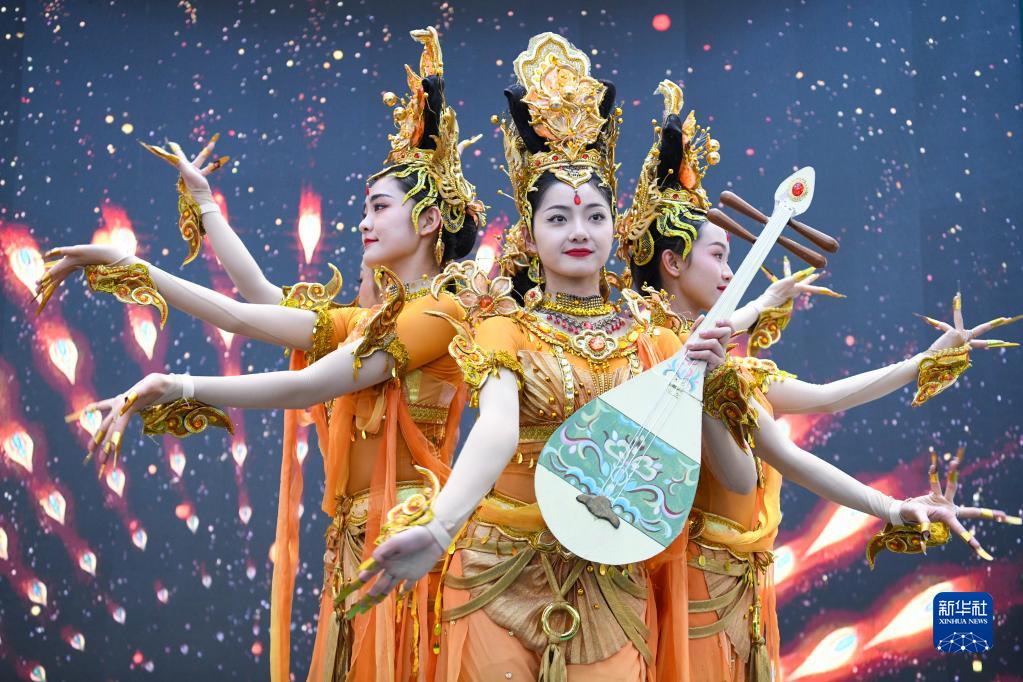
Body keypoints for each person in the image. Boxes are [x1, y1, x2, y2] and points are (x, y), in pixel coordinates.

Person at [42, 27, 485, 682]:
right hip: (358, 544)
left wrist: (182, 385)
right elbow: (253, 307)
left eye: (378, 207)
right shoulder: (369, 318)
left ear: (427, 221)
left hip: (411, 545)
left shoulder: (440, 314)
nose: (363, 221)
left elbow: (310, 386)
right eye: (364, 208)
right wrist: (187, 220)